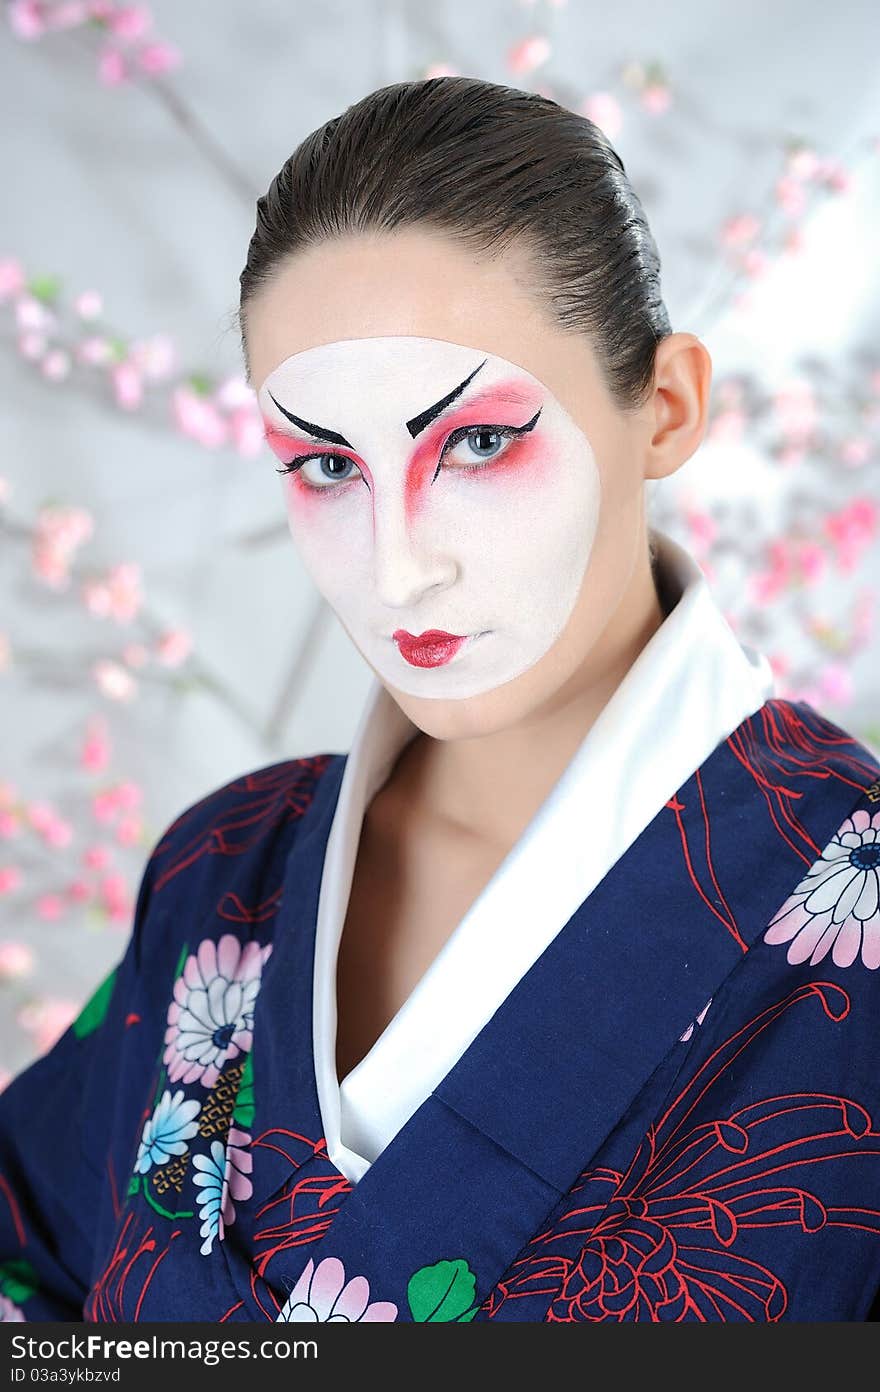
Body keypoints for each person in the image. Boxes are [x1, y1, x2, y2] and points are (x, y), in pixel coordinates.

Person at [2, 76, 879, 1326]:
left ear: (666, 407)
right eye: (323, 464)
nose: (398, 561)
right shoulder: (222, 871)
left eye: (474, 444)